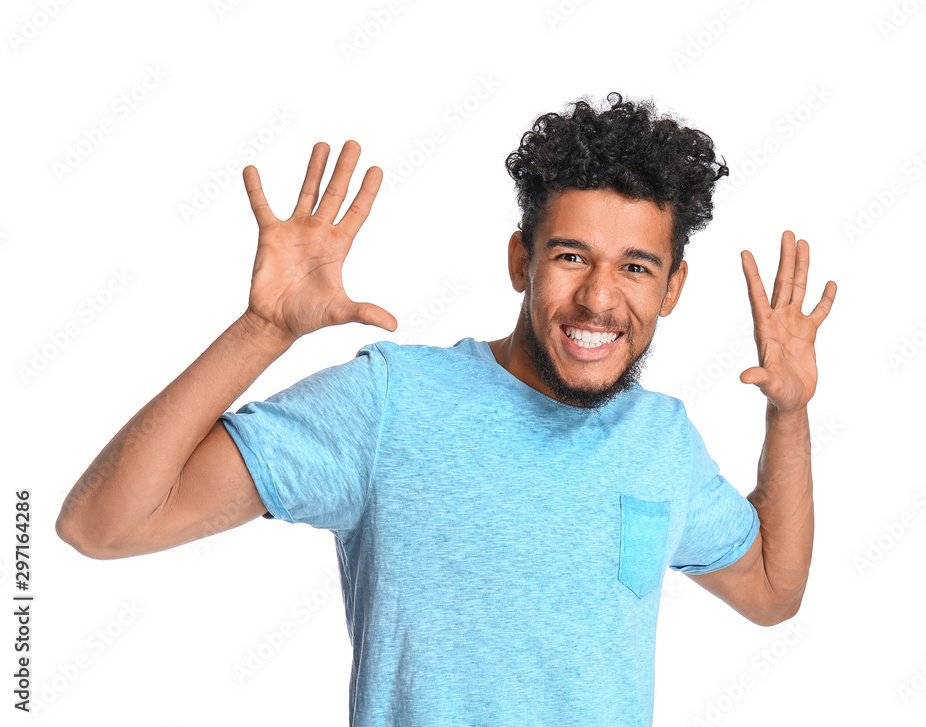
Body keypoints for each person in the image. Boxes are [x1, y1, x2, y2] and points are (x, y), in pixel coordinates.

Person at [56, 91, 837, 726]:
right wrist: (263, 330)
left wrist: (791, 414)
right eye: (571, 256)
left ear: (671, 288)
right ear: (519, 259)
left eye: (635, 267)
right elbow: (103, 523)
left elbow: (773, 589)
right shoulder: (390, 403)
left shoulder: (661, 440)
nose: (599, 298)